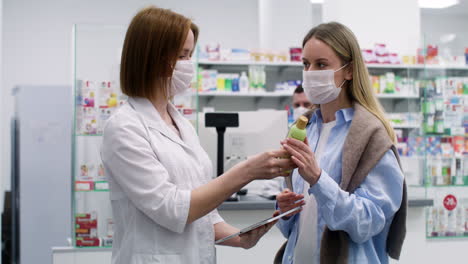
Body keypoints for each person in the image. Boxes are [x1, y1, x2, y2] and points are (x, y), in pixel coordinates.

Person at [100, 7, 298, 264]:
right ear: (150, 56)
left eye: (190, 55)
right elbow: (173, 209)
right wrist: (247, 171)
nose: (188, 65)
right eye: (181, 55)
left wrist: (240, 237)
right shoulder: (124, 128)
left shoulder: (182, 124)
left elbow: (204, 215)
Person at [275, 22, 407, 264]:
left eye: (322, 64)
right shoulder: (305, 129)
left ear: (349, 70)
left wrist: (317, 179)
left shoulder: (371, 136)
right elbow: (291, 230)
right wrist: (285, 212)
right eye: (306, 64)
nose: (311, 72)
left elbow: (368, 223)